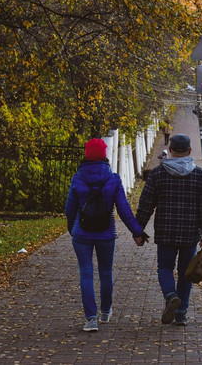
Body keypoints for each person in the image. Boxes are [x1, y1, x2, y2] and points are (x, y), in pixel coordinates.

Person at [65, 138, 148, 332]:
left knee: (85, 273)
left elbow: (69, 209)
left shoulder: (77, 178)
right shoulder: (113, 179)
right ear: (104, 154)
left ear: (86, 154)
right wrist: (137, 232)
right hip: (106, 233)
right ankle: (105, 311)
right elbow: (124, 209)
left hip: (82, 233)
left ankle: (91, 319)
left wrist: (72, 228)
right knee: (105, 273)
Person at [135, 134, 202, 326]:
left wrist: (138, 230)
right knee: (187, 272)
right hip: (189, 234)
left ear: (170, 150)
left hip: (165, 232)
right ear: (190, 151)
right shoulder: (199, 175)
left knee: (165, 268)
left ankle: (170, 296)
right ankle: (181, 314)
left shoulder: (157, 174)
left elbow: (146, 204)